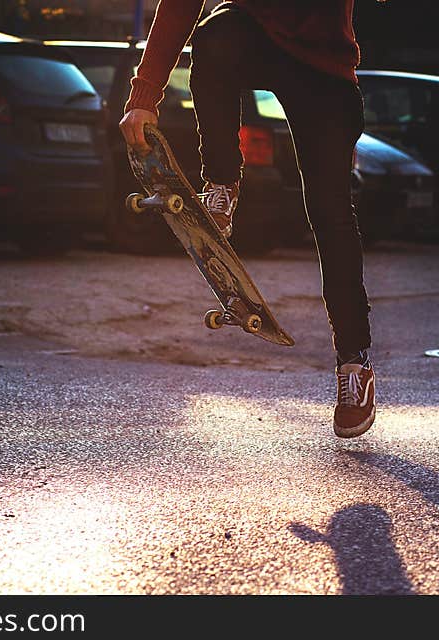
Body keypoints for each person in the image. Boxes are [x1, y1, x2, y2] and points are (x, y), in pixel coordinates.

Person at [119, 0, 375, 438]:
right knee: (217, 35)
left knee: (330, 214)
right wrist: (144, 97)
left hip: (326, 68)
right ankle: (221, 183)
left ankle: (354, 362)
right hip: (254, 38)